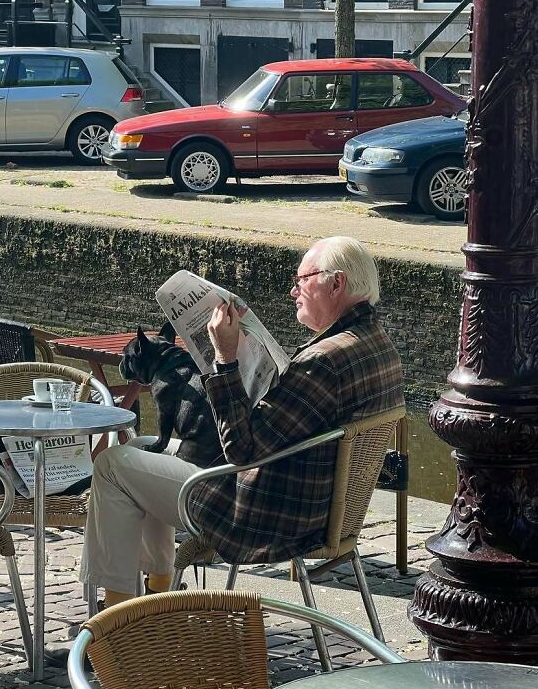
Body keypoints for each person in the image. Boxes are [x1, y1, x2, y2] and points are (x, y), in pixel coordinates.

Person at [79, 236, 404, 608]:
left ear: (336, 282)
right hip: (317, 506)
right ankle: (157, 591)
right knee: (139, 447)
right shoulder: (377, 345)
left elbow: (242, 451)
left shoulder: (322, 361)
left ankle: (117, 623)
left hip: (262, 515)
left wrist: (226, 359)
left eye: (302, 280)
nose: (293, 291)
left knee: (111, 465)